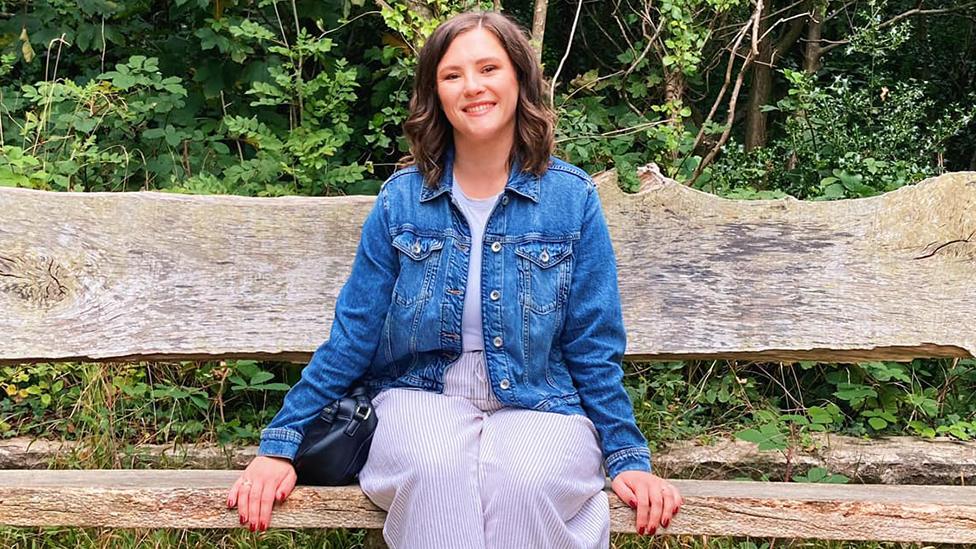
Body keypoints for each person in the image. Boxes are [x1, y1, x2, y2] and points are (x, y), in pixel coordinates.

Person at [227, 10, 683, 547]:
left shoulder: (571, 199)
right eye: (452, 75)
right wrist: (278, 446)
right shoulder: (401, 201)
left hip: (540, 400)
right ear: (435, 93)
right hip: (420, 396)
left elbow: (591, 343)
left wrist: (629, 456)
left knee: (524, 479)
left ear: (519, 78)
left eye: (489, 68)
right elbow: (353, 336)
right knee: (437, 466)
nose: (473, 86)